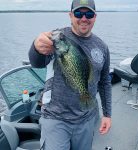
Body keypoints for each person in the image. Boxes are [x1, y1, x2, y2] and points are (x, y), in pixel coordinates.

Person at [29, 0, 112, 149]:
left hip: (87, 119)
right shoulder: (57, 37)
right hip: (55, 118)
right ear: (70, 15)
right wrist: (35, 47)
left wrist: (107, 114)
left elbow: (105, 81)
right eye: (79, 13)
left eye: (89, 14)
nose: (84, 18)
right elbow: (37, 62)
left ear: (95, 17)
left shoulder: (102, 46)